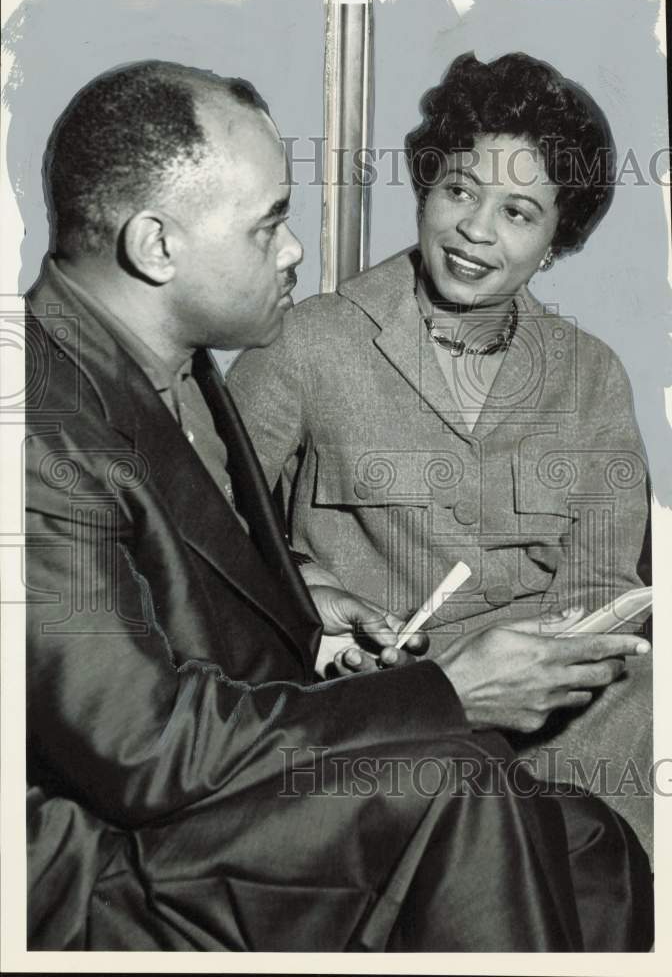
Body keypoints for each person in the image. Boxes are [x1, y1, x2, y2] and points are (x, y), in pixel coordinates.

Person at [26, 59, 653, 954]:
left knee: (601, 839)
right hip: (168, 823)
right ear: (157, 247)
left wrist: (305, 591)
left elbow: (212, 549)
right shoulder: (56, 424)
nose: (296, 251)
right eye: (271, 223)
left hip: (349, 727)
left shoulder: (179, 366)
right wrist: (431, 681)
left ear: (554, 240)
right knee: (467, 786)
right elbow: (148, 740)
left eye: (517, 212)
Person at [227, 53, 653, 855]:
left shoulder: (591, 373)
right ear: (427, 185)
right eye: (460, 189)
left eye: (519, 212)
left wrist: (553, 659)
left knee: (641, 703)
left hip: (551, 713)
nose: (475, 229)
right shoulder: (308, 340)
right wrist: (308, 584)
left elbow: (603, 579)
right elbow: (207, 524)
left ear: (558, 241)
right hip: (381, 707)